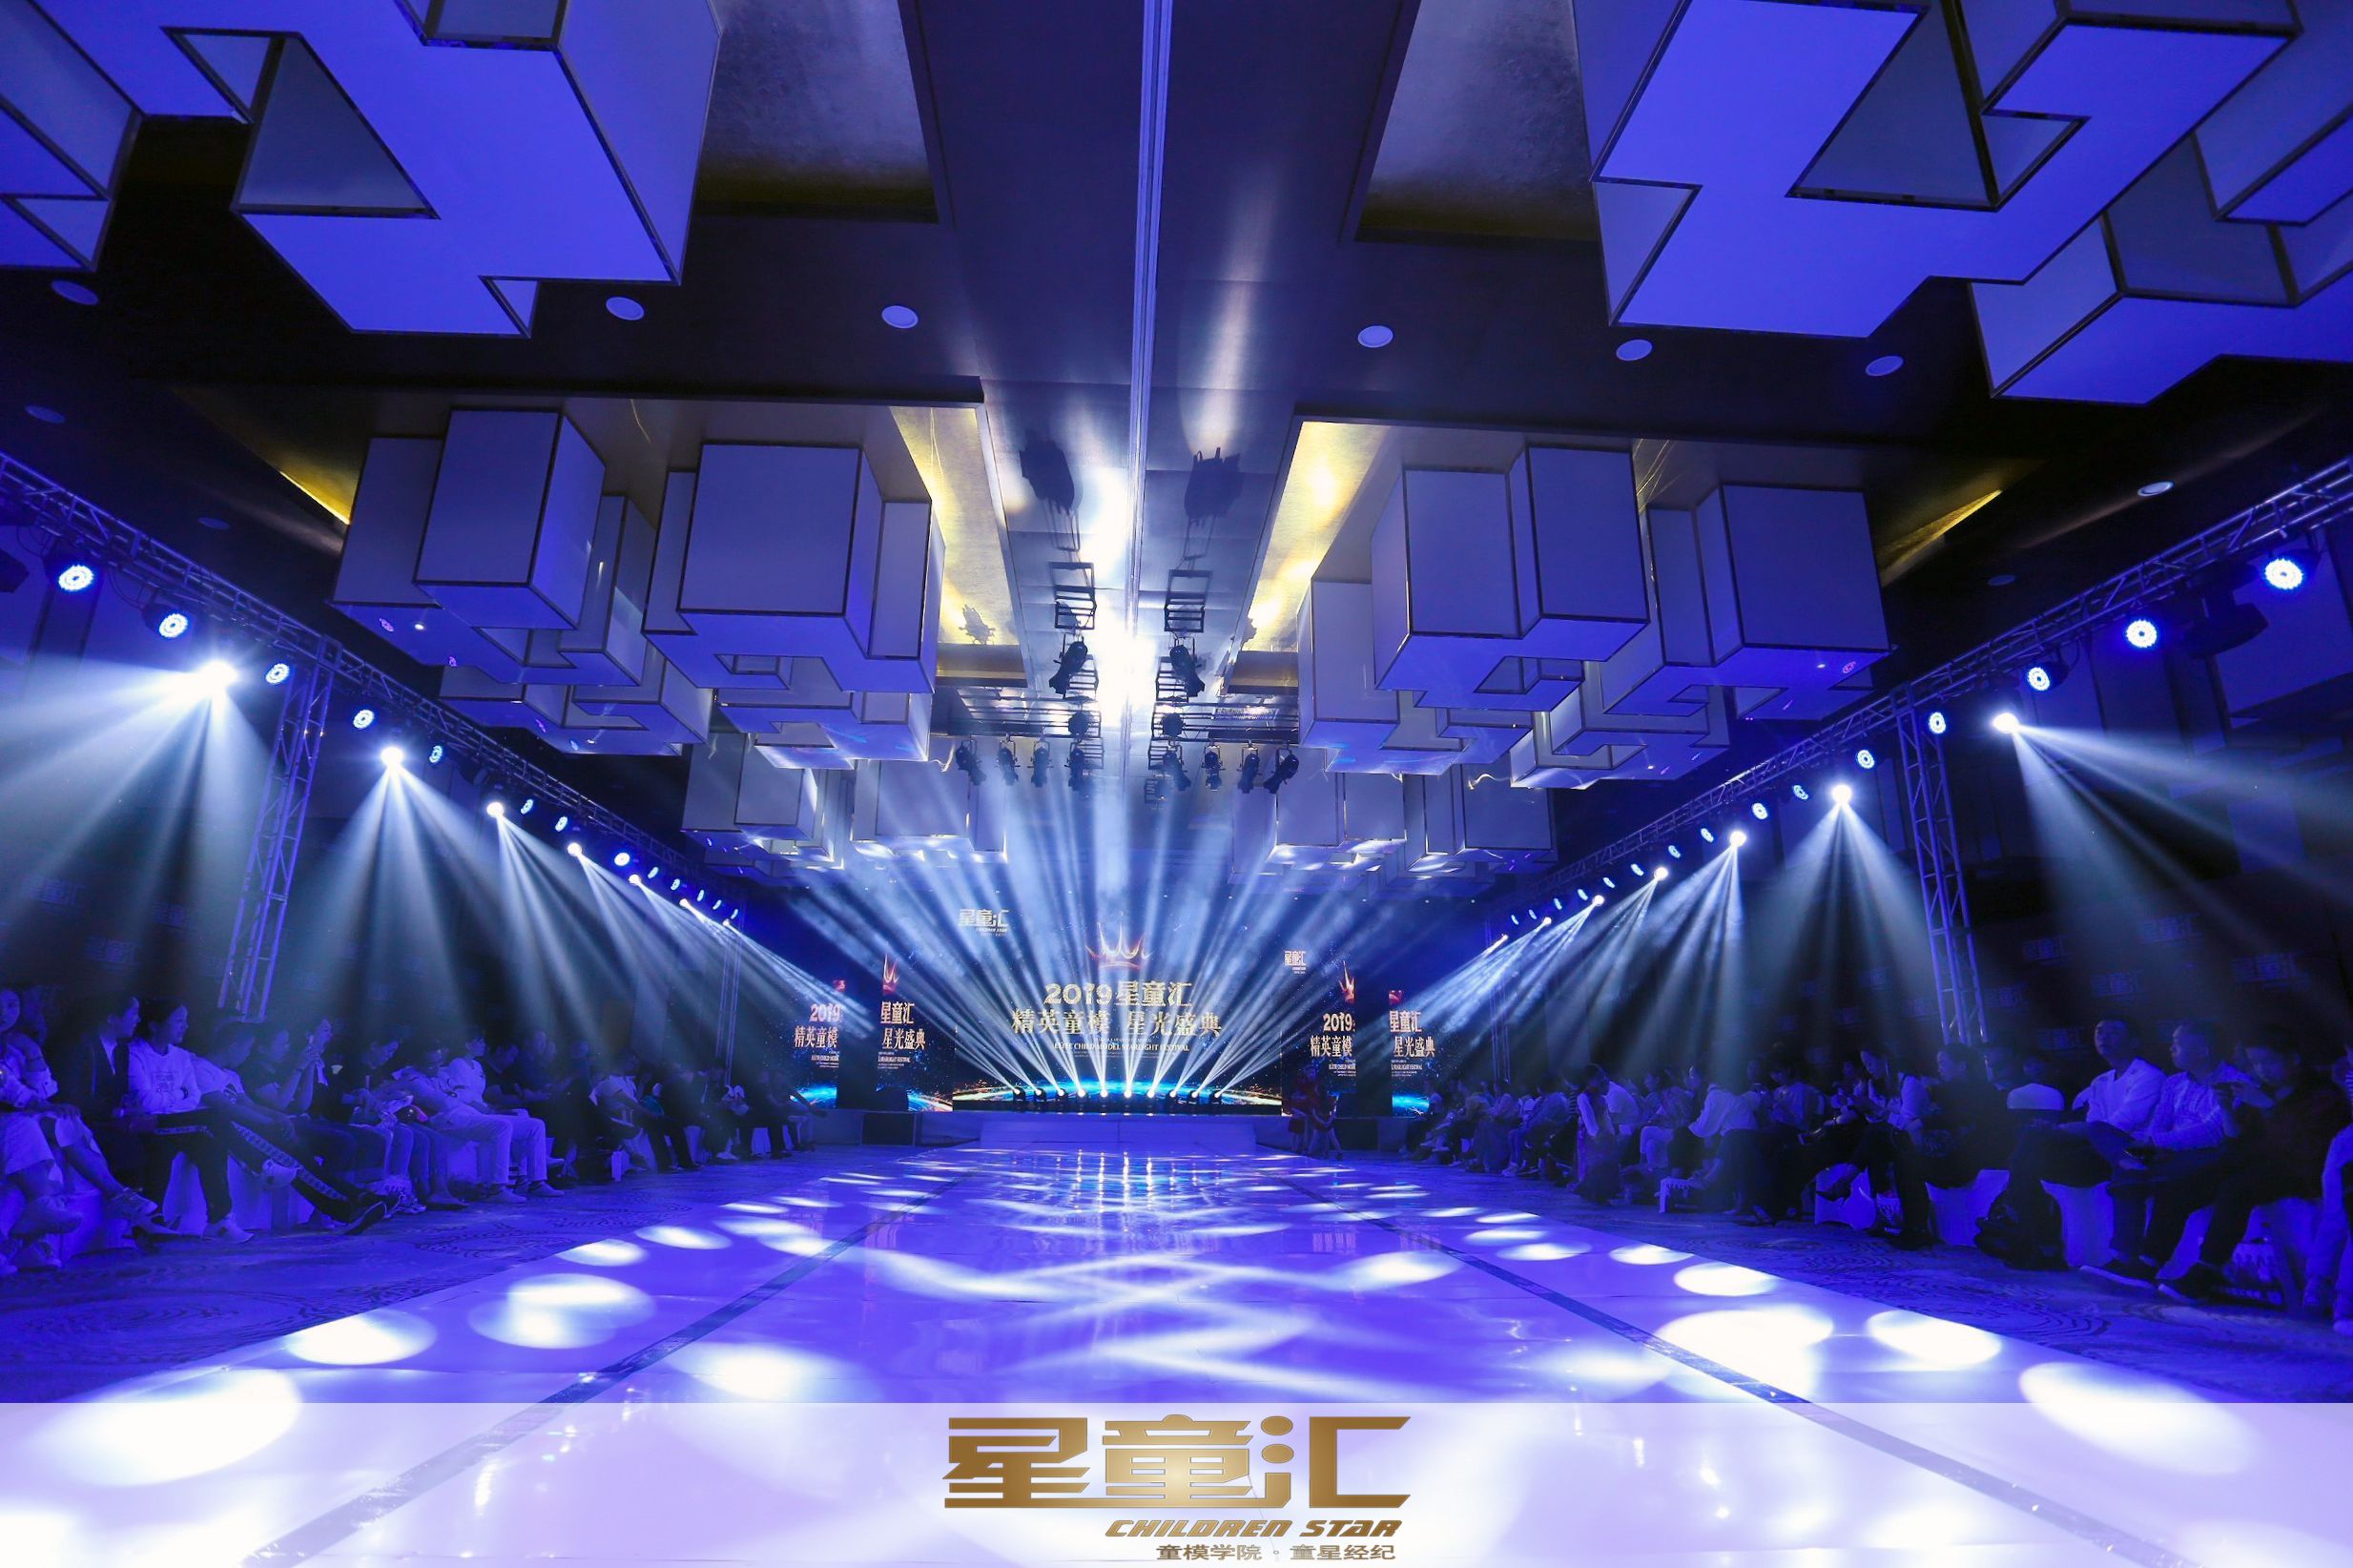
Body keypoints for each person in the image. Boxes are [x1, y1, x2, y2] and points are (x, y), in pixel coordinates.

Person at [2140, 1031, 2349, 1303]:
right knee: (2180, 1185)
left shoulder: (2322, 1094)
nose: (2263, 1070)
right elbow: (2236, 1140)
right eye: (2256, 1063)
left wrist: (2268, 1106)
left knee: (2237, 1188)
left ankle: (2206, 1271)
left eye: (2269, 1062)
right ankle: (2146, 1263)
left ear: (2294, 1059)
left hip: (2301, 1170)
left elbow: (2305, 1147)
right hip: (2252, 1161)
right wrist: (2227, 1109)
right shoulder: (2256, 1090)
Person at [2083, 1019, 2260, 1286]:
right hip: (2164, 1152)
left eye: (2178, 1043)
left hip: (2205, 1156)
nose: (2171, 1048)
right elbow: (2159, 1123)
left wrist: (2155, 1143)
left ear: (2203, 1050)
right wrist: (2152, 1145)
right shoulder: (2174, 1082)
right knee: (2099, 1129)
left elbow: (2213, 1133)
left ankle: (2127, 1258)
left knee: (2129, 1175)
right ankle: (2127, 1161)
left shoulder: (2235, 1082)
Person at [1979, 1017, 2162, 1269]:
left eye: (2113, 1032)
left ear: (2133, 1041)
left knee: (2026, 1161)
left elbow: (2122, 1123)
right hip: (2096, 1151)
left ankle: (2034, 1235)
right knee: (2030, 1144)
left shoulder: (2148, 1076)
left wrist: (2074, 1129)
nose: (2103, 1037)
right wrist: (2057, 1130)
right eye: (2099, 1031)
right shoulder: (2100, 1082)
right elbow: (2093, 1125)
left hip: (2129, 1153)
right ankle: (2035, 1234)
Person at [438, 1036, 558, 1197]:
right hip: (468, 1114)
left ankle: (535, 1182)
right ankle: (497, 1188)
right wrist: (490, 1111)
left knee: (535, 1125)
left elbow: (478, 1096)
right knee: (503, 1126)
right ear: (467, 1044)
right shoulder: (457, 1065)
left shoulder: (477, 1066)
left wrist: (493, 1109)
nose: (484, 1044)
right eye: (479, 1041)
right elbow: (464, 1097)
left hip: (482, 1111)